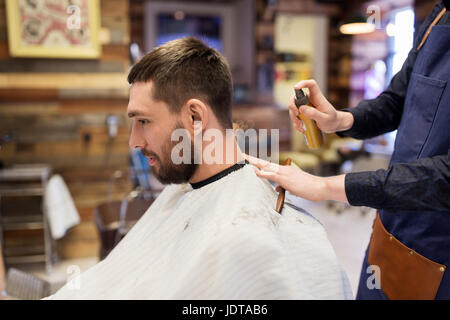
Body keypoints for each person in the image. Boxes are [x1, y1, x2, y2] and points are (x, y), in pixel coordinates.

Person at [45, 37, 352, 299]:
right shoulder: (185, 189)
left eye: (144, 122)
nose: (134, 141)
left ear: (194, 117)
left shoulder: (248, 237)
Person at [245, 0, 450, 300]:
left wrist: (323, 186)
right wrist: (339, 119)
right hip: (391, 227)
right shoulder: (439, 15)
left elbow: (444, 178)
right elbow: (395, 101)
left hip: (439, 249)